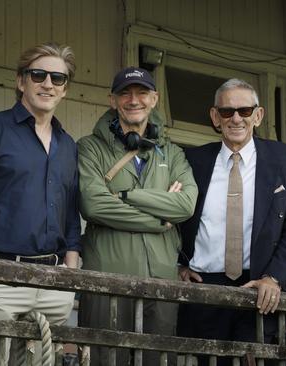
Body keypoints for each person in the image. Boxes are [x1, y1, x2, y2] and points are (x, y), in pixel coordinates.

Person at [0, 42, 80, 366]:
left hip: (54, 281)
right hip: (1, 276)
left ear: (65, 90)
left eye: (58, 78)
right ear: (21, 81)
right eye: (38, 75)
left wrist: (70, 270)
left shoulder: (68, 146)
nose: (48, 84)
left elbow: (72, 218)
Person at [177, 78, 286, 363]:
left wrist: (273, 278)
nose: (236, 118)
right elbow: (172, 219)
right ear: (215, 117)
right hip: (202, 290)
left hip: (258, 290)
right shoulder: (191, 160)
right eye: (227, 112)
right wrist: (177, 264)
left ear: (258, 115)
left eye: (245, 111)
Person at [77, 67, 198, 365]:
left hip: (161, 283)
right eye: (125, 93)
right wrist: (159, 219)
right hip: (107, 280)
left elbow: (185, 206)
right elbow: (93, 206)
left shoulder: (172, 153)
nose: (134, 100)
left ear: (154, 99)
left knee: (159, 360)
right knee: (104, 359)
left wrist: (127, 196)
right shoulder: (89, 148)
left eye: (142, 92)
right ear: (112, 100)